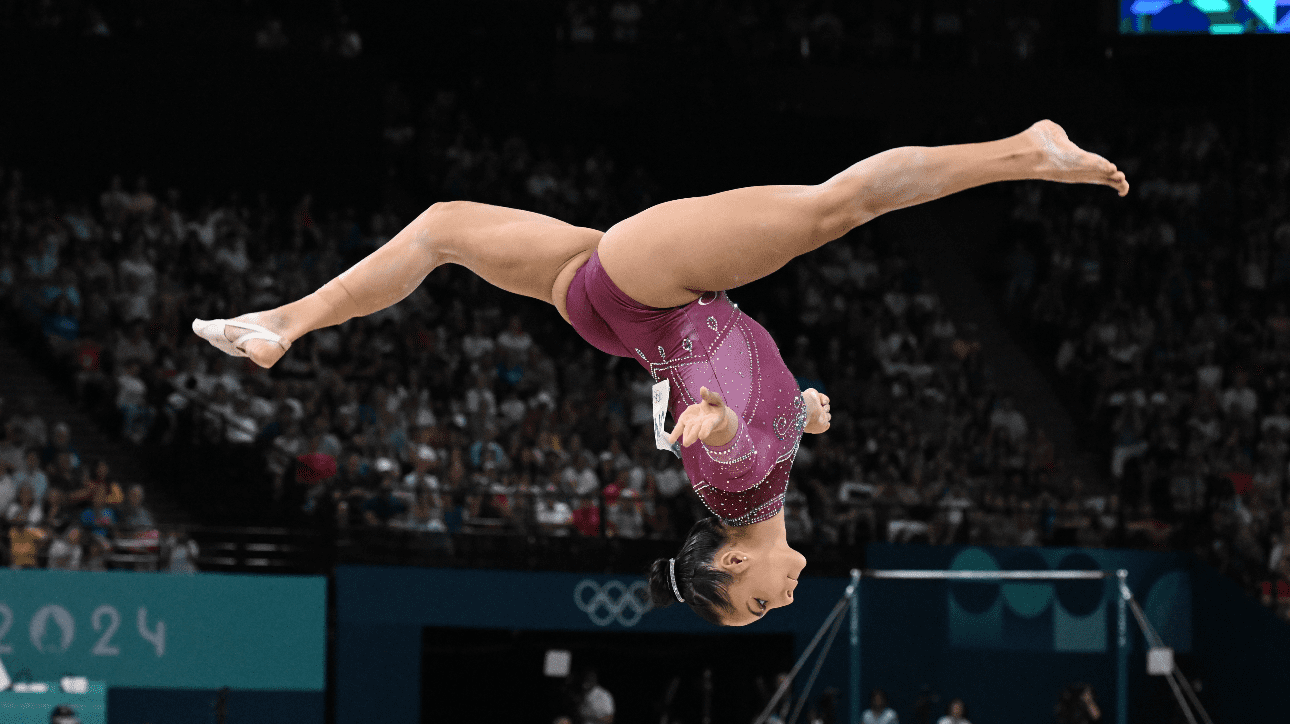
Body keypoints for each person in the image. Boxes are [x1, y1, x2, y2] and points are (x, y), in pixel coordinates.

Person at [193, 120, 1129, 624]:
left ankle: (1025, 153)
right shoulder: (761, 486)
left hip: (656, 294)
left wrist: (711, 418)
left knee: (830, 209)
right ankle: (286, 321)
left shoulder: (735, 483)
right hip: (604, 317)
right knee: (440, 229)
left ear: (727, 560)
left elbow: (721, 427)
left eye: (756, 601)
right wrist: (801, 411)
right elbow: (752, 420)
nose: (781, 598)